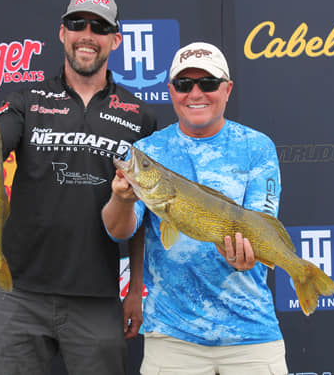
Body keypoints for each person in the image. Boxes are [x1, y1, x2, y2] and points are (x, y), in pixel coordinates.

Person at [0, 0, 157, 375]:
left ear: (116, 39)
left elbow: (144, 215)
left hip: (96, 297)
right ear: (62, 32)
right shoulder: (27, 98)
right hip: (19, 293)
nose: (87, 35)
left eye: (100, 27)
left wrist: (135, 289)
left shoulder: (139, 116)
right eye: (78, 24)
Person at [102, 42, 289, 375]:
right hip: (172, 337)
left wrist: (247, 254)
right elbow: (120, 230)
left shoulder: (257, 147)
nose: (196, 93)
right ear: (171, 90)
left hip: (251, 333)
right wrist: (122, 198)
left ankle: (302, 272)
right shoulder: (149, 150)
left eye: (208, 83)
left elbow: (261, 224)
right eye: (185, 84)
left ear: (227, 89)